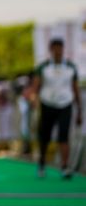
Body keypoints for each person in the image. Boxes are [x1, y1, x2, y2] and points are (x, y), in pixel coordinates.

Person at [32, 37, 82, 179]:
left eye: (60, 48)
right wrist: (34, 99)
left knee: (63, 135)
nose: (58, 51)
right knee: (44, 136)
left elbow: (75, 89)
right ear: (51, 50)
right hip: (47, 103)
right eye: (55, 48)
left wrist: (79, 109)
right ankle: (42, 163)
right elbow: (36, 85)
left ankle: (65, 166)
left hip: (65, 104)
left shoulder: (70, 67)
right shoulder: (43, 67)